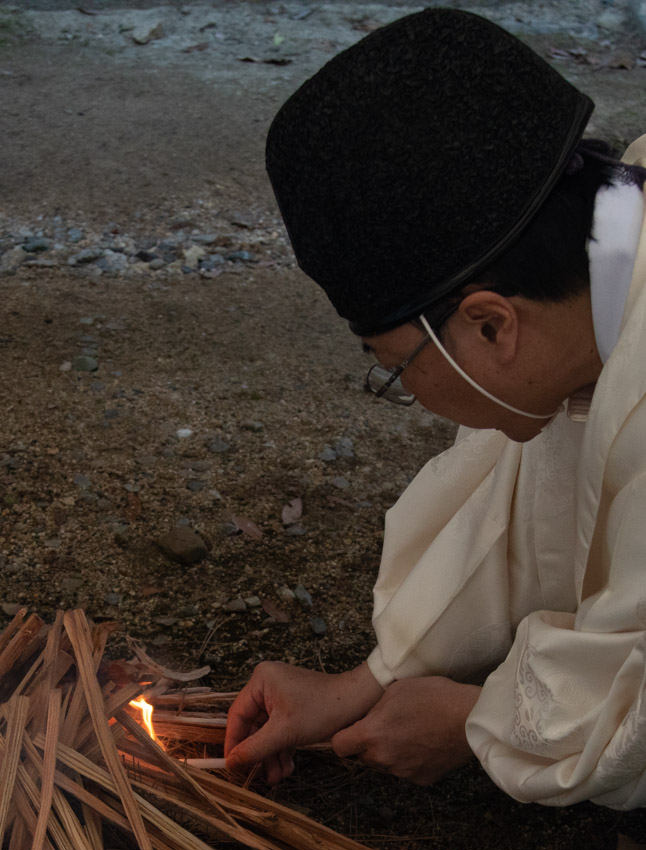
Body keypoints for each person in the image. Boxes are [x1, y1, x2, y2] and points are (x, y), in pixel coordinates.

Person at [224, 7, 646, 809]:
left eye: (397, 367)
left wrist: (476, 726)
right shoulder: (613, 276)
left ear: (491, 322)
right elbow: (534, 501)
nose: (413, 397)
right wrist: (367, 681)